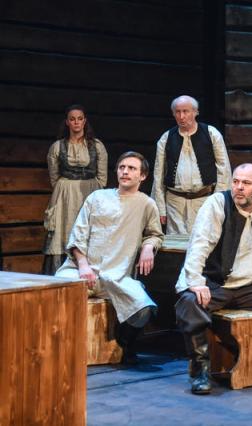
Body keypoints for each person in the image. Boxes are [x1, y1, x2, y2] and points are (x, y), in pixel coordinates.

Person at [174, 163, 252, 395]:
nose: (239, 187)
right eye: (236, 181)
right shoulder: (217, 204)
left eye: (246, 183)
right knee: (189, 303)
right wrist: (195, 281)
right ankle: (201, 370)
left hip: (251, 288)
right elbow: (200, 244)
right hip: (217, 284)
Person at [56, 152, 164, 365]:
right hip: (81, 271)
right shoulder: (97, 197)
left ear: (142, 176)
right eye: (122, 167)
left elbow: (155, 234)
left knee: (145, 308)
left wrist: (148, 247)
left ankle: (124, 344)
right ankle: (63, 348)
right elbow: (78, 234)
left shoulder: (146, 204)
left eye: (132, 168)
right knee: (56, 292)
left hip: (116, 275)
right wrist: (83, 265)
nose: (125, 172)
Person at [151, 95, 232, 235]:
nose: (181, 116)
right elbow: (158, 175)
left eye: (186, 111)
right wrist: (160, 208)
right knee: (175, 242)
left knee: (202, 239)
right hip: (174, 204)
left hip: (204, 200)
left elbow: (224, 170)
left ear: (195, 112)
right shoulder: (166, 138)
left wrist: (218, 203)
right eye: (177, 112)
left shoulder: (211, 134)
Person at [42, 105, 108, 274]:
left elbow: (102, 178)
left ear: (85, 121)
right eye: (72, 119)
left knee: (88, 229)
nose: (76, 122)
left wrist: (94, 192)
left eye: (80, 118)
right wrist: (65, 189)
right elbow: (54, 177)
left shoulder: (97, 146)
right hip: (64, 195)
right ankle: (59, 274)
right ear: (67, 122)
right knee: (62, 230)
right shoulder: (57, 147)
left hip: (89, 192)